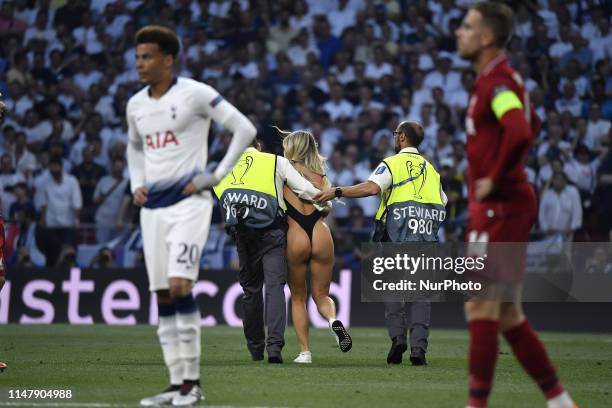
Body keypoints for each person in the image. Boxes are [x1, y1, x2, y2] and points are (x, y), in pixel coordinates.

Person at [126, 26, 256, 407]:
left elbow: (243, 128)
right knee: (163, 294)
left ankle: (193, 384)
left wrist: (214, 175)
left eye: (147, 57)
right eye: (137, 58)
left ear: (168, 59)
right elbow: (135, 147)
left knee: (181, 285)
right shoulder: (136, 104)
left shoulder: (195, 93)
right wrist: (137, 181)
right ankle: (174, 383)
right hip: (152, 209)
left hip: (189, 204)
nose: (140, 65)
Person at [455, 3, 577, 408]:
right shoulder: (496, 81)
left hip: (499, 208)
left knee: (480, 304)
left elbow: (521, 129)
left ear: (487, 37)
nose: (459, 32)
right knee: (507, 313)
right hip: (500, 207)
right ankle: (560, 402)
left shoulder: (497, 83)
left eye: (467, 26)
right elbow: (532, 120)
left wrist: (497, 174)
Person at [316, 120, 447, 366]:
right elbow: (443, 202)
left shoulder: (392, 163)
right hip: (425, 239)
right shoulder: (432, 171)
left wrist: (338, 191)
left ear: (402, 139)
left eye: (396, 133)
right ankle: (419, 349)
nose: (395, 136)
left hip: (394, 237)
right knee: (420, 297)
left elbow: (372, 188)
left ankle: (398, 338)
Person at [213, 138, 328, 364]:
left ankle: (255, 349)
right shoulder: (275, 161)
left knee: (251, 291)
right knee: (275, 289)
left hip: (244, 236)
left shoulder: (223, 168)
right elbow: (304, 189)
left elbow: (222, 201)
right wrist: (326, 203)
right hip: (273, 234)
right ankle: (274, 349)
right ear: (259, 146)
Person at [278, 129, 352, 364]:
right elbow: (326, 207)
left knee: (299, 297)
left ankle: (305, 352)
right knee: (322, 295)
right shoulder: (320, 174)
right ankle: (332, 321)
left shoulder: (282, 172)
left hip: (295, 233)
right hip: (321, 232)